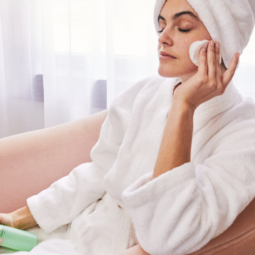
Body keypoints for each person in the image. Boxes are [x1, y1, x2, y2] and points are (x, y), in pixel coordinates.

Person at [0, 0, 255, 254]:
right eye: (161, 25)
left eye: (184, 27)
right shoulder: (146, 92)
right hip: (78, 230)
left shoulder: (244, 134)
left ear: (225, 38)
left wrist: (184, 107)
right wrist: (18, 218)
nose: (162, 38)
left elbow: (167, 236)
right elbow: (99, 171)